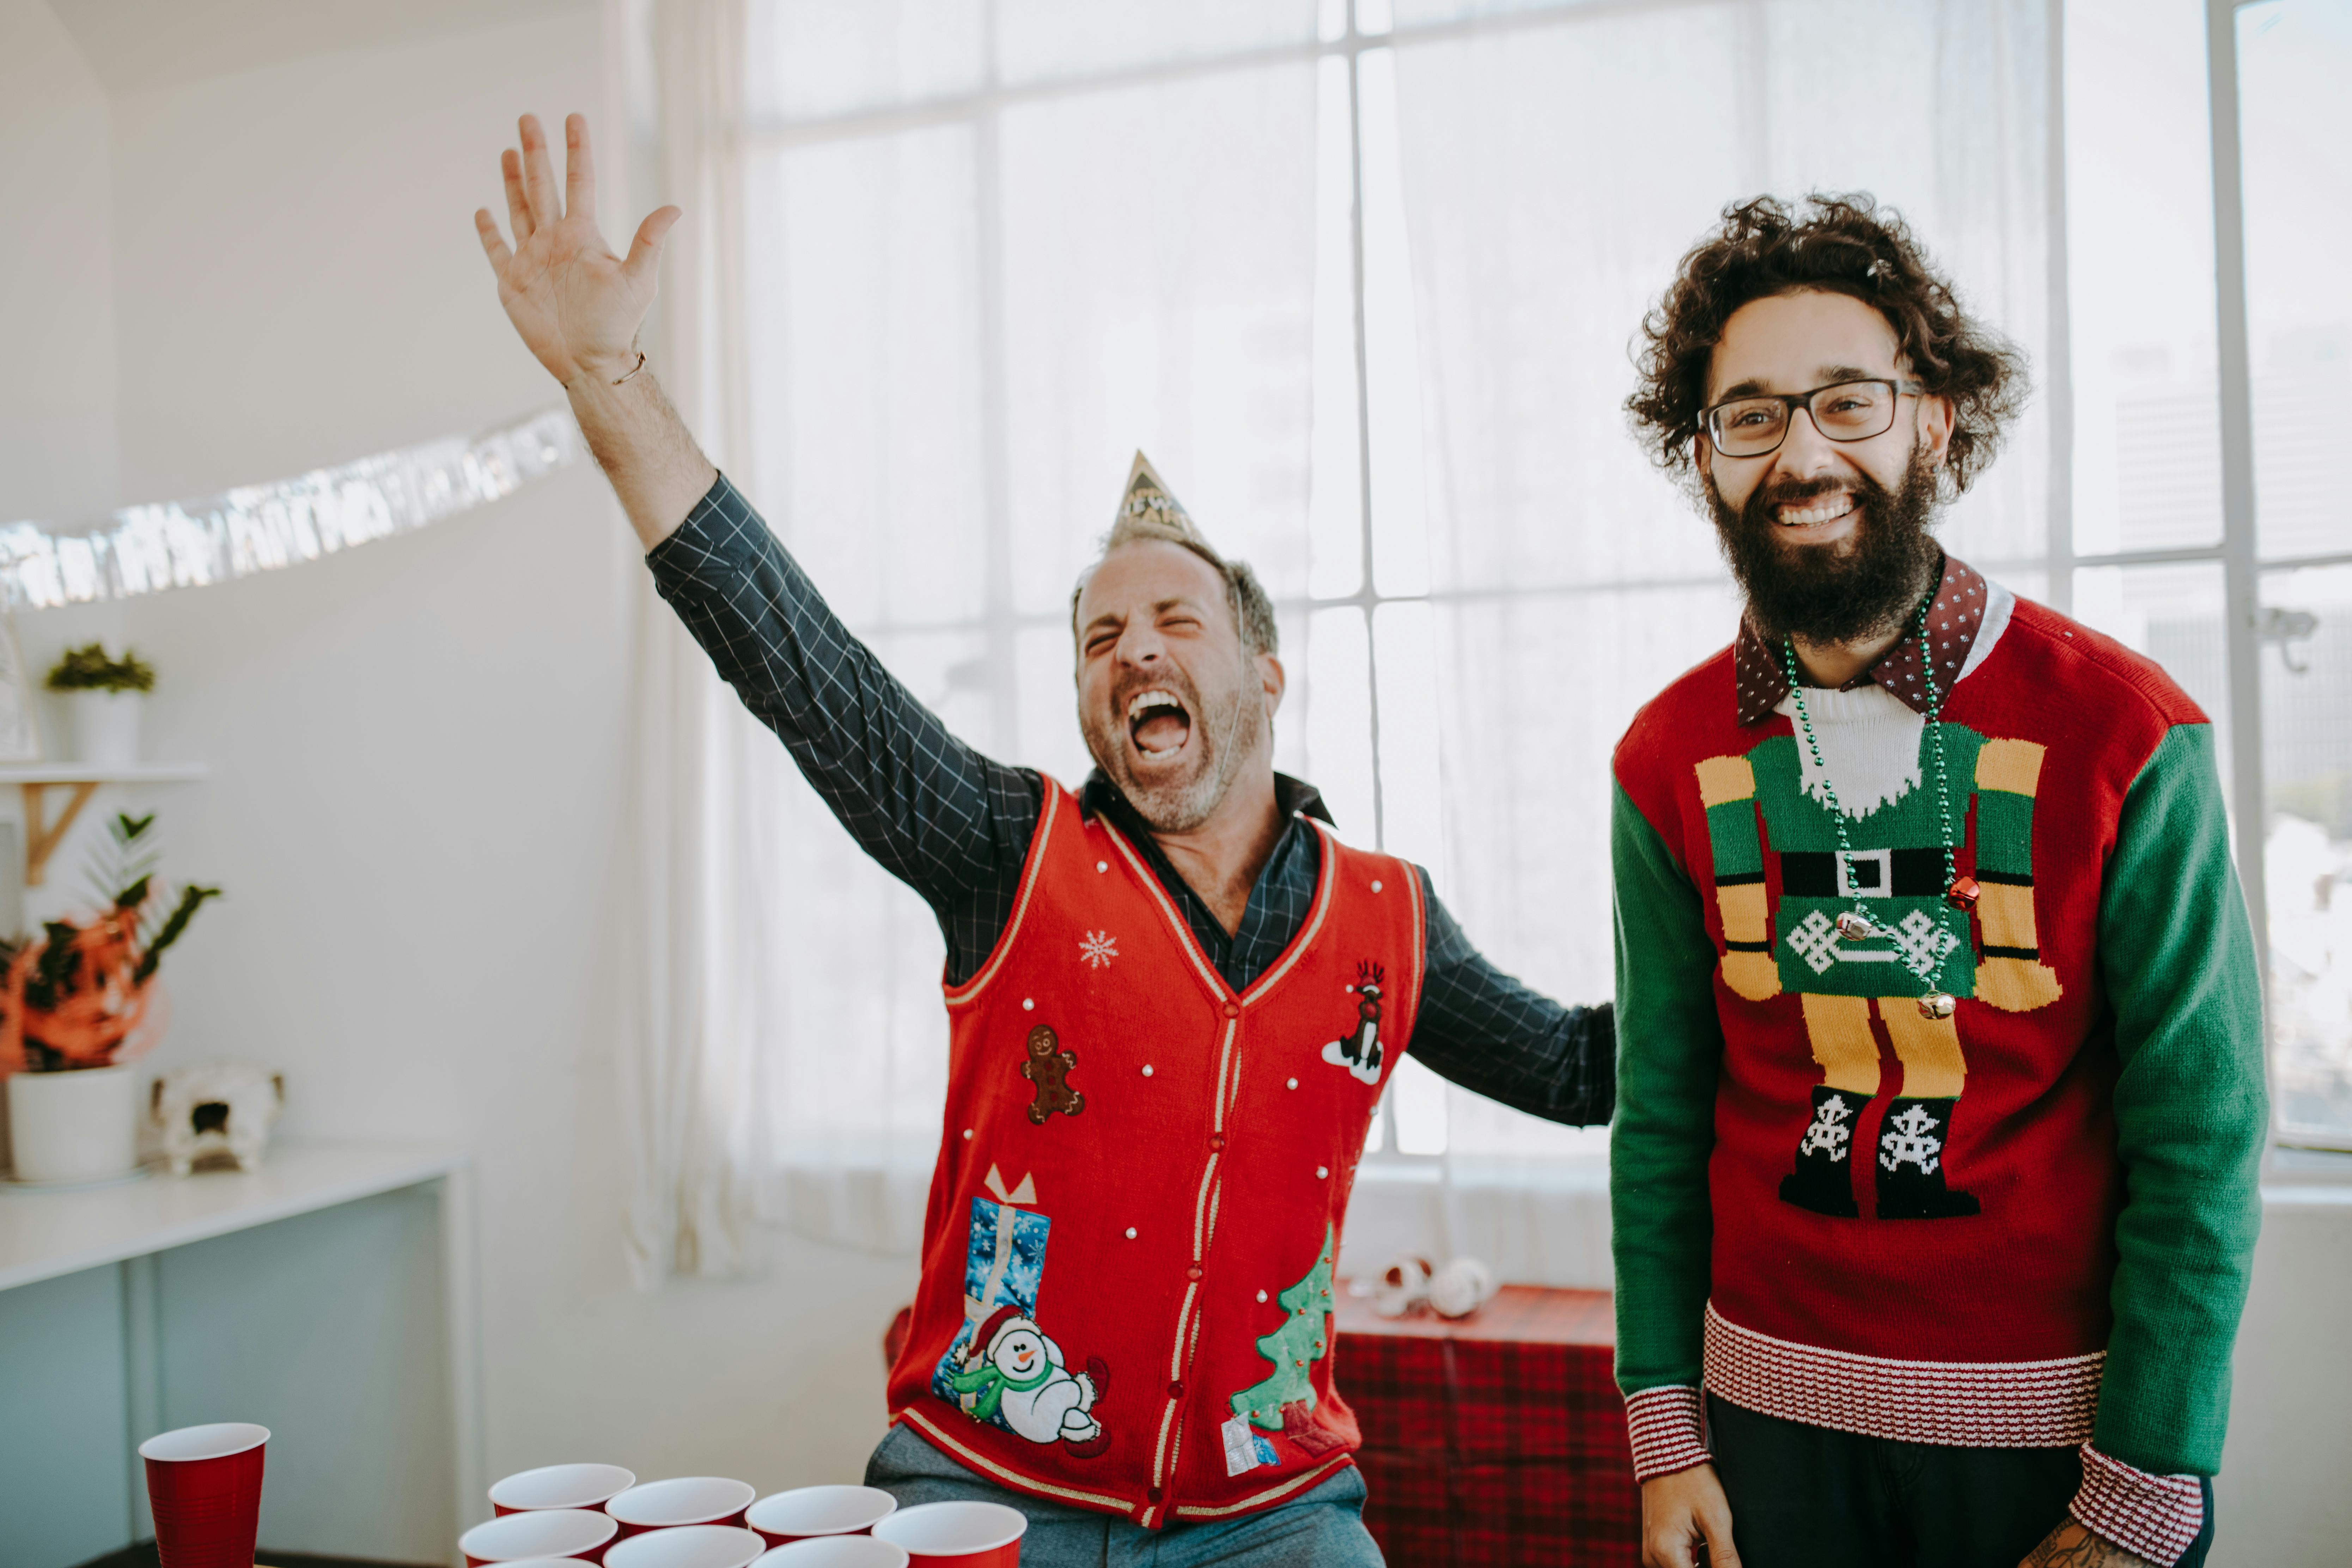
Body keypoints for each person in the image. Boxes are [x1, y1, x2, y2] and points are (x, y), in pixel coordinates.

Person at [472, 112, 1613, 1566]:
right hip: (978, 1487)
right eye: (1100, 636)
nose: (1133, 650)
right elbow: (793, 658)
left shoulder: (1386, 919)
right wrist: (607, 376)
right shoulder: (1011, 852)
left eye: (1176, 621)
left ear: (1265, 674)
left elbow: (1586, 1067)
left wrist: (1804, 957)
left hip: (1275, 1517)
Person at [1606, 193, 2265, 1568]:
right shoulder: (1663, 754)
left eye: (1850, 400)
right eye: (1752, 415)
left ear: (1936, 420)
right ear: (1706, 458)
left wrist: (2142, 1481)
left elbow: (2201, 1134)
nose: (1803, 452)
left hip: (2060, 1454)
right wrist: (1666, 1432)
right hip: (1758, 1444)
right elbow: (1659, 1114)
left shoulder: (2131, 731)